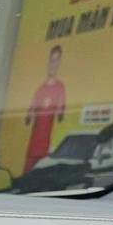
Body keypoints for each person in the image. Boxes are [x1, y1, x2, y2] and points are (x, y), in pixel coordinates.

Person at [23, 45, 66, 174]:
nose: (53, 64)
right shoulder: (40, 89)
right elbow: (28, 117)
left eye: (57, 60)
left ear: (59, 63)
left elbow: (60, 115)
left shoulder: (60, 88)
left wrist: (59, 108)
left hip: (46, 149)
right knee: (27, 177)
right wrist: (30, 114)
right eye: (52, 60)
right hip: (32, 147)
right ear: (48, 62)